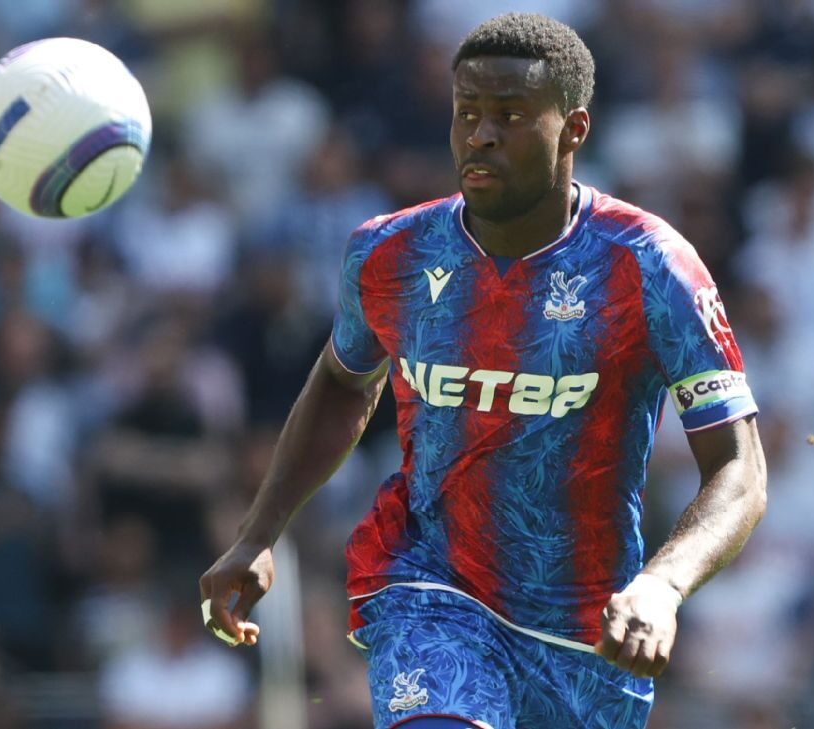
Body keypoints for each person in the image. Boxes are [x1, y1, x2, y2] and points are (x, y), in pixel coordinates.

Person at [200, 13, 768, 729]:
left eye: (511, 115)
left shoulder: (649, 266)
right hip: (430, 589)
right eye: (467, 112)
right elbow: (345, 380)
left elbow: (741, 468)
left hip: (586, 635)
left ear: (574, 129)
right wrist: (259, 531)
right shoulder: (390, 252)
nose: (481, 135)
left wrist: (663, 585)